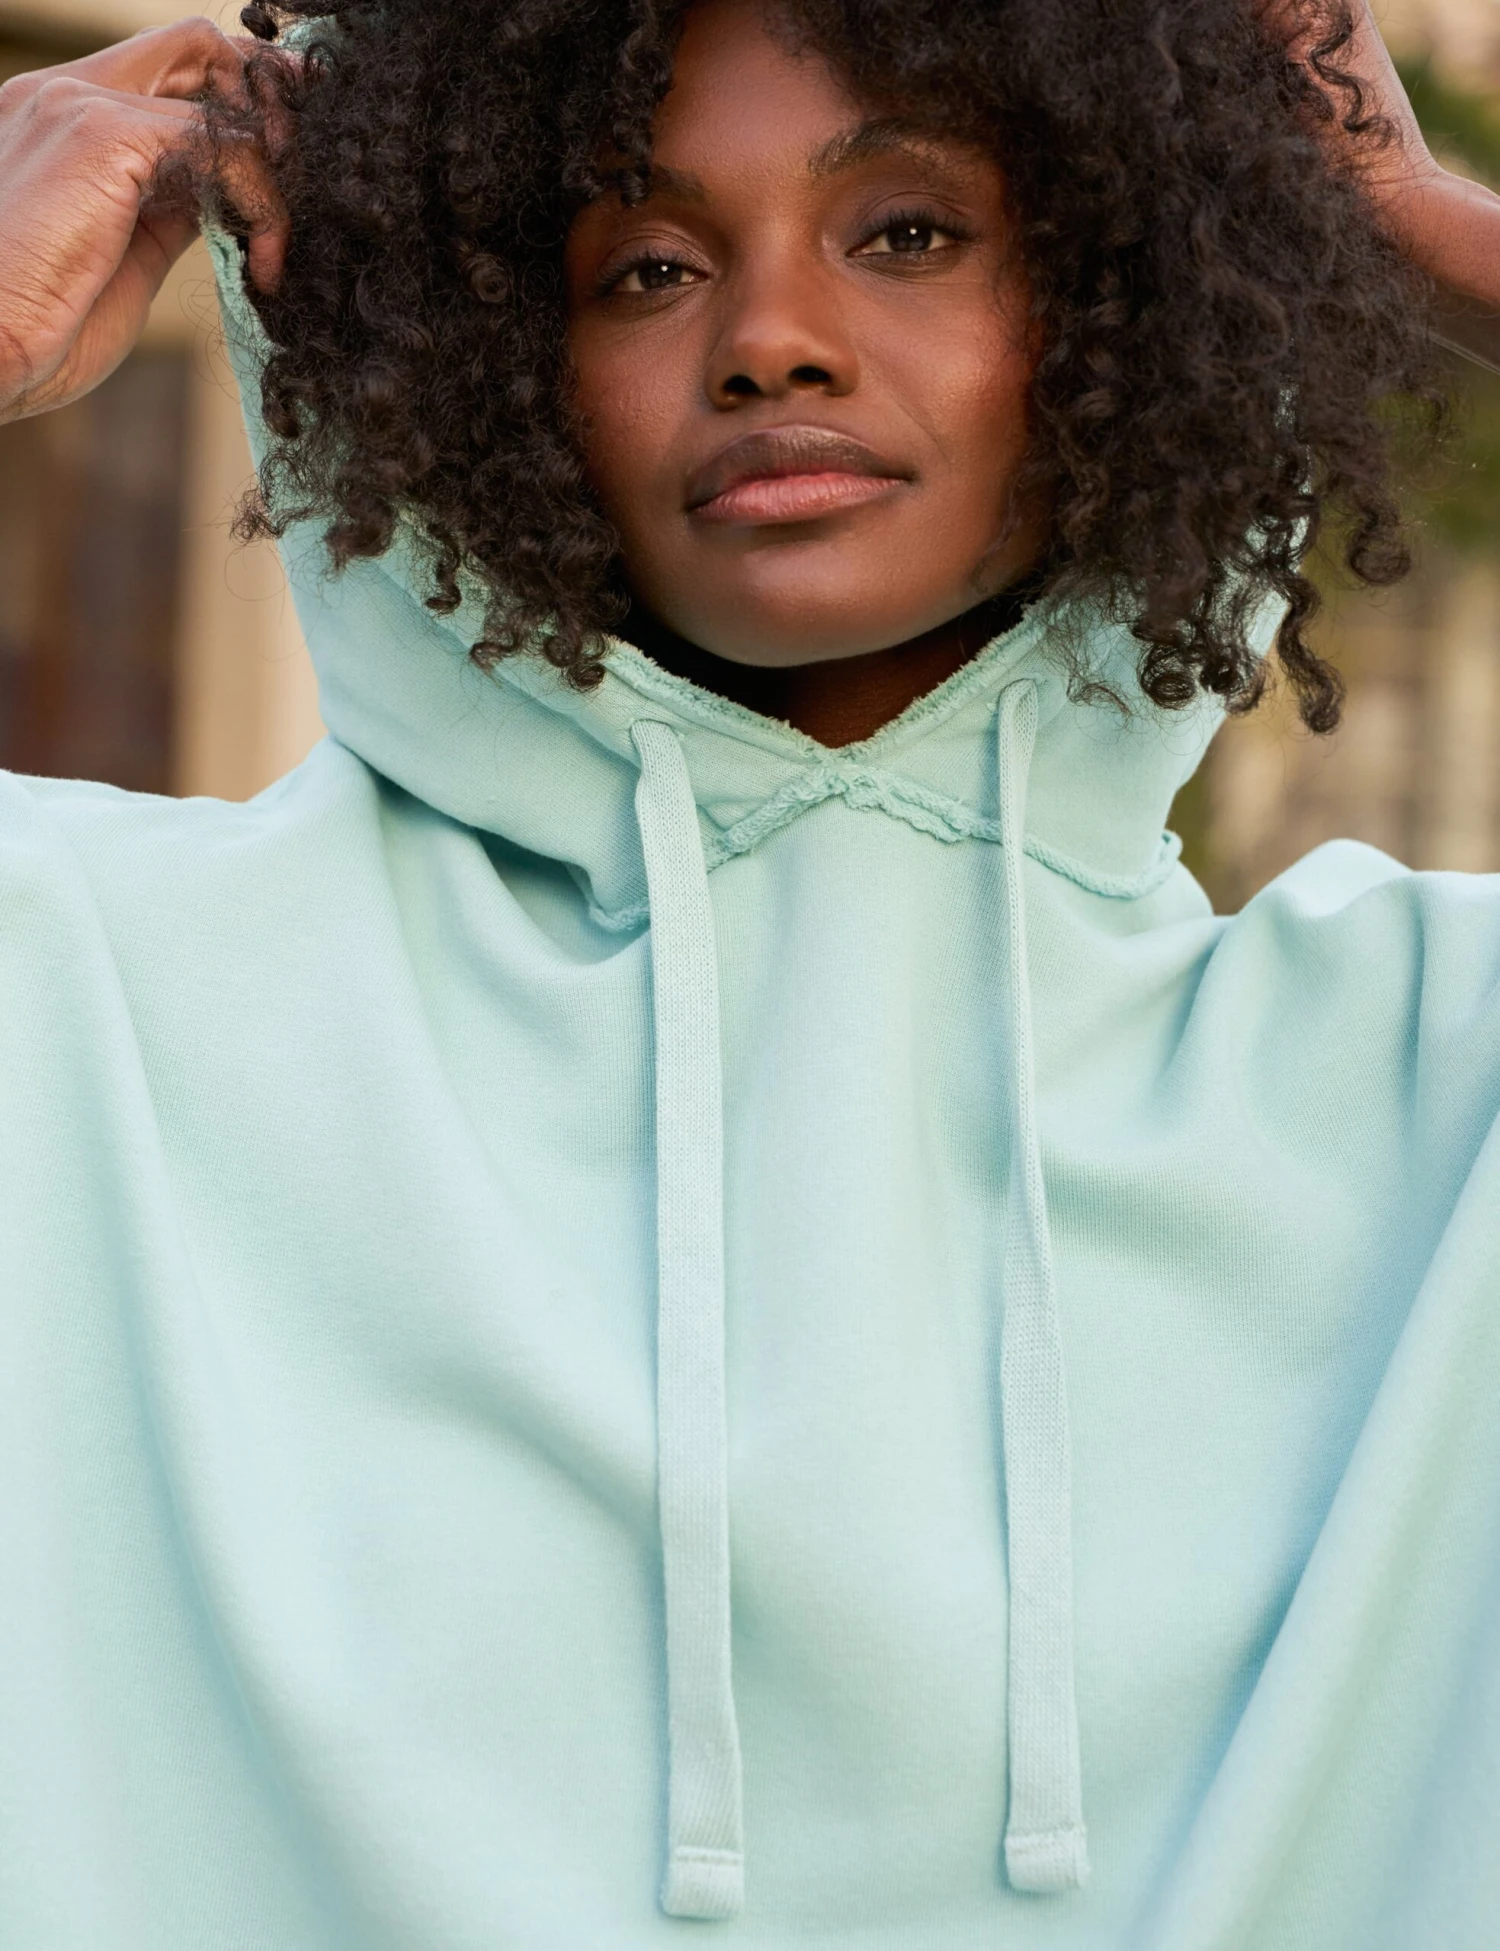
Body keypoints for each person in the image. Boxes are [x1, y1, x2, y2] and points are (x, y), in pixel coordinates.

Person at [1, 1, 1498, 1944]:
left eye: (908, 232)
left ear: (1135, 274)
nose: (771, 338)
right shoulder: (99, 994)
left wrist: (1412, 228)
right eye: (646, 265)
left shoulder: (1423, 1074)